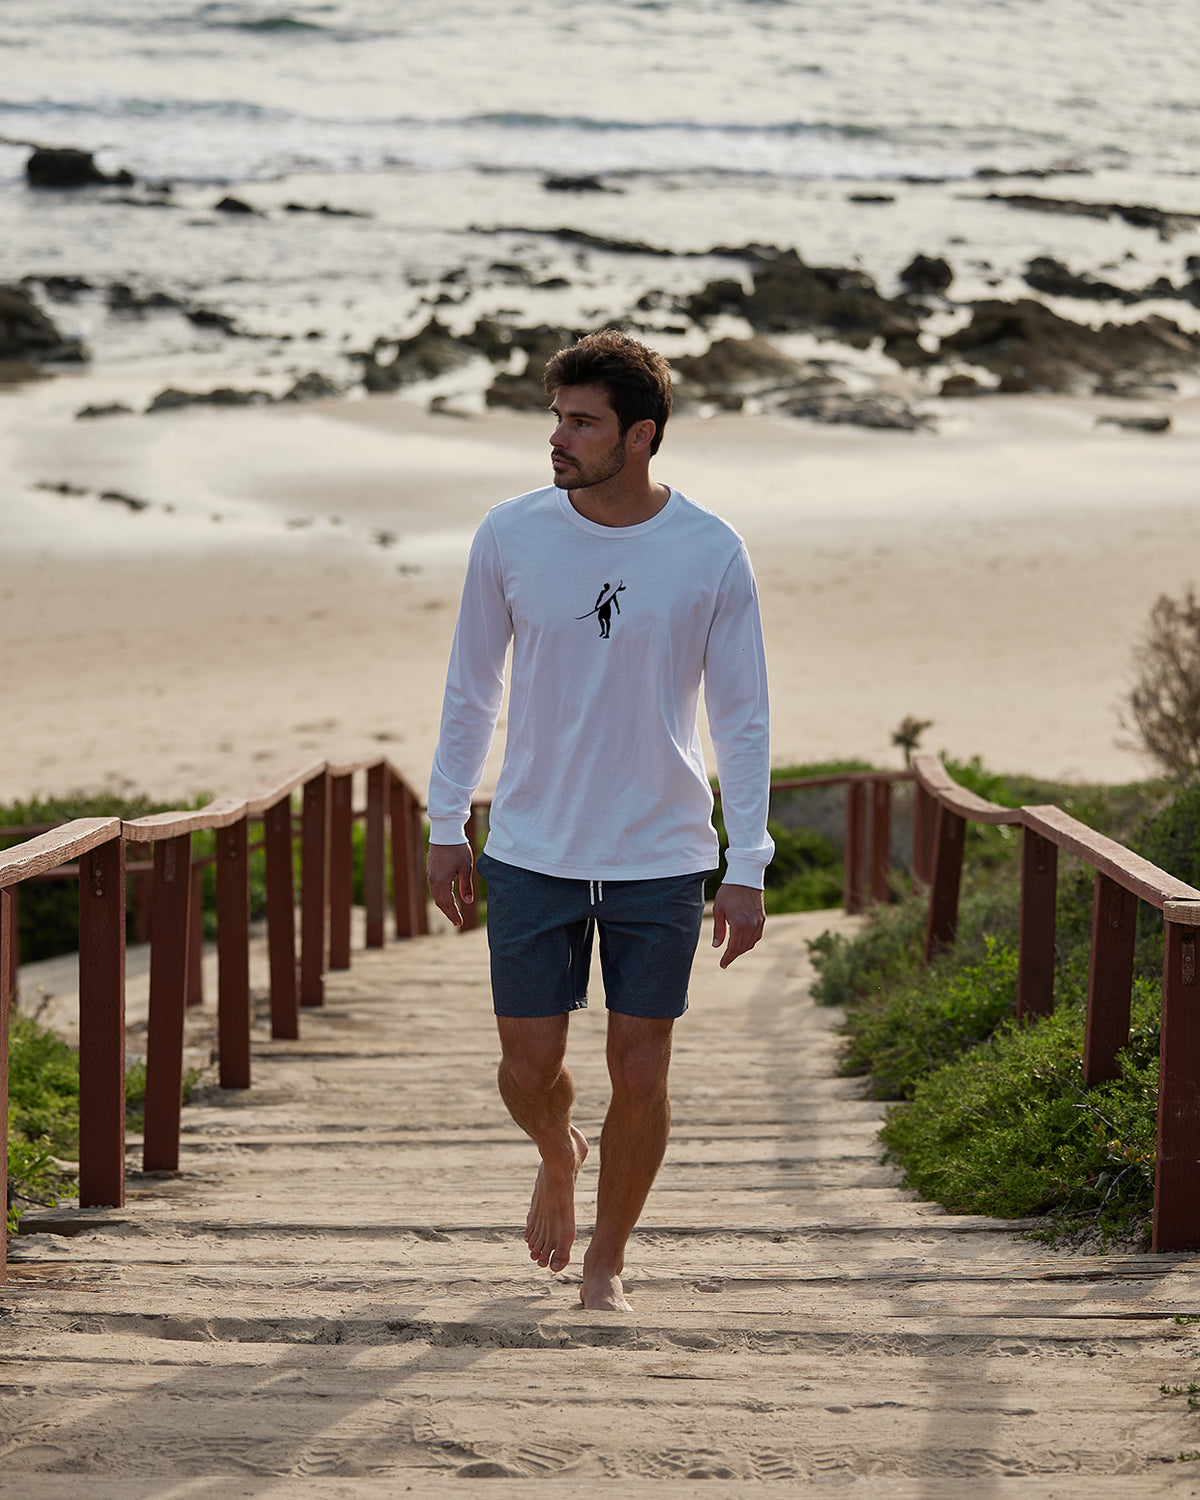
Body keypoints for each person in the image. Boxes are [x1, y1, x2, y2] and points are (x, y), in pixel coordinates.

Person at [426, 330, 773, 1312]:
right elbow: (471, 689)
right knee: (528, 1068)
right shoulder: (509, 534)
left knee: (640, 1069)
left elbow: (740, 719)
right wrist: (445, 820)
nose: (559, 438)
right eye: (557, 418)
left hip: (660, 852)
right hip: (532, 845)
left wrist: (747, 863)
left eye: (582, 422)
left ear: (642, 435)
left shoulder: (711, 552)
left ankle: (607, 1262)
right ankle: (555, 1150)